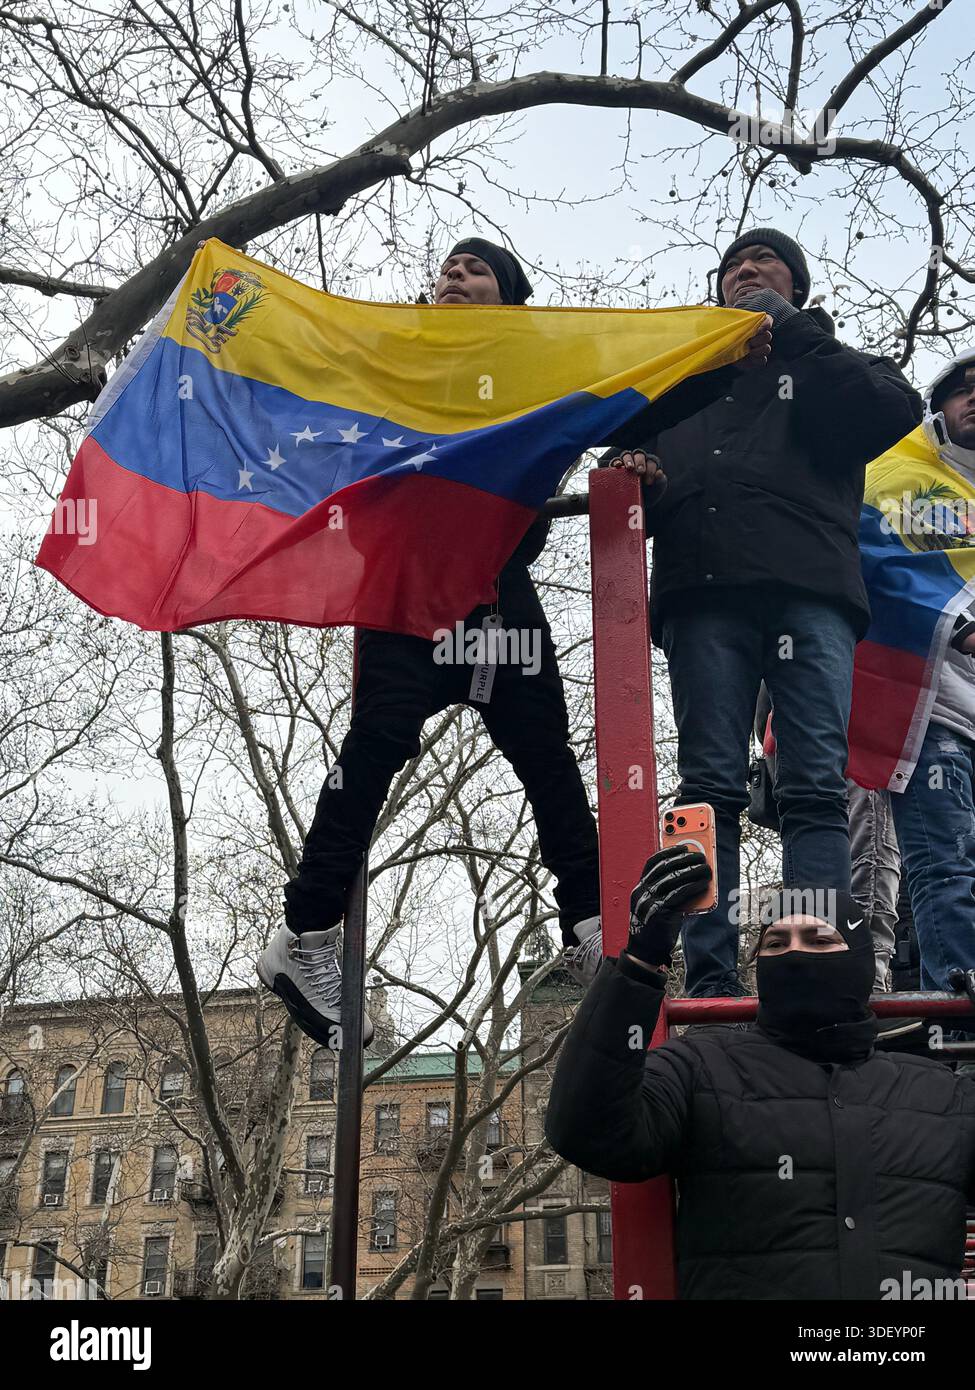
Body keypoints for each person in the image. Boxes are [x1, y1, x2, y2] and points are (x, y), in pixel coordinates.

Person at [258, 237, 775, 1048]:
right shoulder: (396, 353)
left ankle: (585, 919)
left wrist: (719, 362)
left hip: (498, 594)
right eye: (447, 271)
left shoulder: (535, 373)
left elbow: (625, 398)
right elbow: (308, 381)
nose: (454, 277)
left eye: (475, 271)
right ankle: (305, 931)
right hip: (409, 589)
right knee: (376, 743)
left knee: (546, 756)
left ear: (511, 305)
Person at [605, 229, 922, 999]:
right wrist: (634, 470)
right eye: (731, 268)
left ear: (796, 289)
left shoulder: (827, 370)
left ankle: (811, 962)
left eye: (765, 265)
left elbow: (893, 409)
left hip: (809, 594)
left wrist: (792, 330)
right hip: (701, 593)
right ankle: (710, 976)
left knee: (813, 785)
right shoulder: (677, 379)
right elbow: (615, 437)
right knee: (705, 788)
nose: (744, 272)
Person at [545, 846, 975, 1300]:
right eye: (775, 943)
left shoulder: (944, 1095)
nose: (794, 954)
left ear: (861, 963)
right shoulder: (700, 1066)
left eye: (819, 940)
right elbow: (586, 1130)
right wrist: (639, 963)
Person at [887, 348, 975, 995]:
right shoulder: (896, 479)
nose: (974, 398)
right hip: (931, 716)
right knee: (945, 864)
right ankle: (958, 998)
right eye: (960, 389)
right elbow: (873, 566)